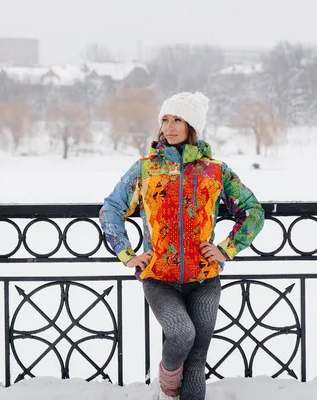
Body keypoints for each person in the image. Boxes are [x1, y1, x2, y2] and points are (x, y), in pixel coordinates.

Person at [99, 92, 264, 400]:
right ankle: (167, 383)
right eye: (165, 119)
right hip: (159, 277)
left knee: (198, 358)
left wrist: (227, 248)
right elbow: (111, 209)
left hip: (205, 278)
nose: (169, 126)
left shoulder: (215, 171)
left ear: (192, 126)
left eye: (178, 120)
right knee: (181, 334)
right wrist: (128, 254)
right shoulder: (145, 169)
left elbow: (253, 211)